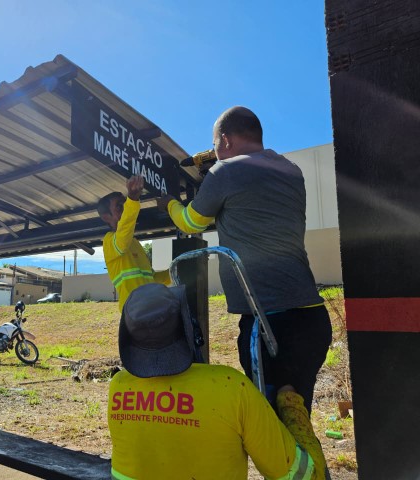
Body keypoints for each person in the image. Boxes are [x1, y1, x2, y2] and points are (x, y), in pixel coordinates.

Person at [158, 106, 331, 413]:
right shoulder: (290, 170)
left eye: (215, 144)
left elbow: (190, 222)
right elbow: (251, 205)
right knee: (295, 413)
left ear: (225, 140)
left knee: (268, 422)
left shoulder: (225, 171)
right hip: (311, 318)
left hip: (267, 322)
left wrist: (169, 203)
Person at [108, 282, 327, 480]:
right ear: (189, 327)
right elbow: (303, 476)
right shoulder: (232, 388)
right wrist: (290, 402)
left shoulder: (119, 386)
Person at [98, 175, 170, 311]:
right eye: (119, 206)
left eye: (125, 203)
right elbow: (123, 238)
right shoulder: (109, 241)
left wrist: (178, 268)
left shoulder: (134, 243)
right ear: (106, 217)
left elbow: (153, 278)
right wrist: (132, 199)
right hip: (134, 311)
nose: (125, 207)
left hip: (151, 309)